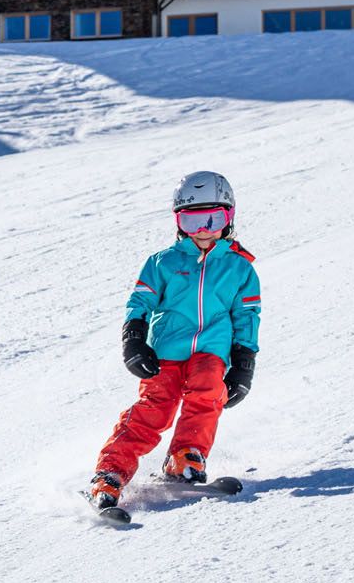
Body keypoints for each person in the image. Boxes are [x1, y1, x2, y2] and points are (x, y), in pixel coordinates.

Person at [88, 171, 261, 511]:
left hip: (211, 352)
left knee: (209, 389)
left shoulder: (241, 269)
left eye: (212, 219)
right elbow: (140, 303)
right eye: (191, 219)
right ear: (179, 221)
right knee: (154, 410)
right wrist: (134, 340)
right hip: (164, 354)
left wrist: (243, 366)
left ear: (229, 218)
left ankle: (185, 457)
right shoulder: (162, 262)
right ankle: (110, 473)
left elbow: (246, 319)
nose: (202, 230)